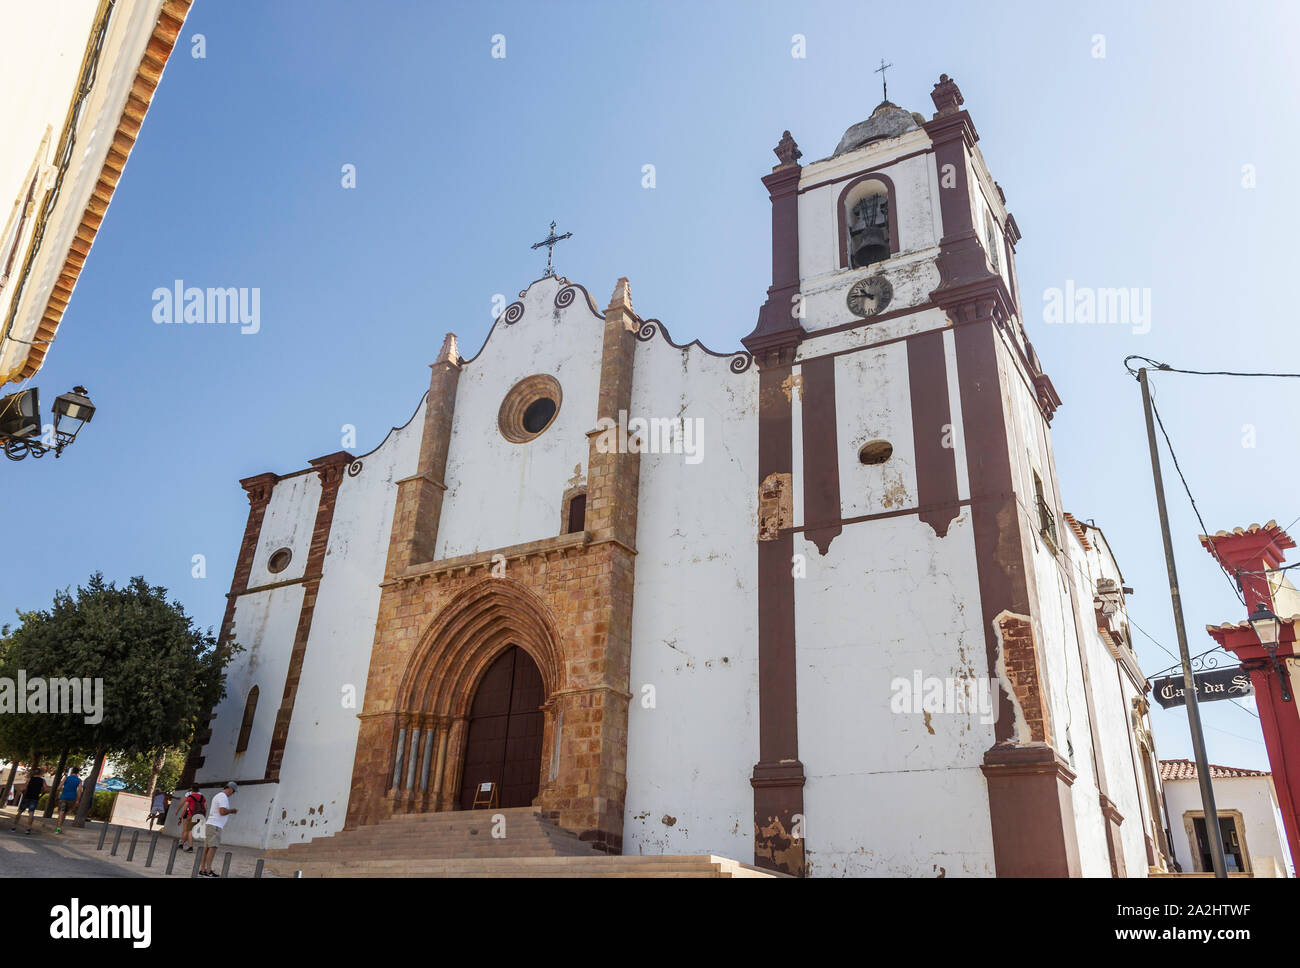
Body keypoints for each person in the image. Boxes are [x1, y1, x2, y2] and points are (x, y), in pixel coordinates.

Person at [199, 781, 237, 877]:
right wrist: (232, 811)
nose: (232, 794)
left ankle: (202, 869)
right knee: (212, 848)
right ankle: (208, 870)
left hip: (211, 824)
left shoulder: (218, 795)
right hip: (215, 826)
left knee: (207, 848)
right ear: (230, 789)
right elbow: (222, 811)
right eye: (233, 792)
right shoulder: (223, 797)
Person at [10, 768, 45, 834]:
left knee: (20, 811)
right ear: (40, 774)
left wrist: (22, 791)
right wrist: (41, 793)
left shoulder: (29, 779)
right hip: (35, 798)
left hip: (27, 797)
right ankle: (28, 829)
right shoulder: (42, 781)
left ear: (34, 773)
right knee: (31, 813)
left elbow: (24, 788)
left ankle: (14, 827)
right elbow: (45, 789)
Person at [179, 784, 205, 853]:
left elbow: (185, 809)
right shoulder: (202, 797)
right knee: (189, 830)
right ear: (199, 790)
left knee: (189, 830)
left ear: (191, 789)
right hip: (200, 816)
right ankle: (181, 844)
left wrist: (180, 817)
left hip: (191, 815)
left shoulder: (190, 797)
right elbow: (205, 807)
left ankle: (190, 847)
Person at [54, 767, 82, 833]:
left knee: (61, 812)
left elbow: (59, 788)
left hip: (63, 797)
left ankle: (58, 828)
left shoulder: (66, 778)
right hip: (72, 798)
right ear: (78, 773)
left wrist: (57, 795)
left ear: (72, 771)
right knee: (64, 814)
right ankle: (58, 829)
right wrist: (78, 800)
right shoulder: (79, 780)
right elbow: (79, 791)